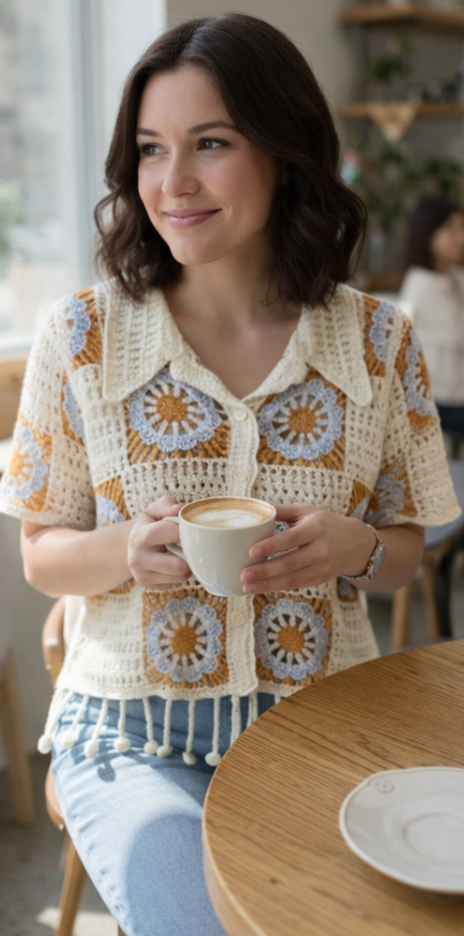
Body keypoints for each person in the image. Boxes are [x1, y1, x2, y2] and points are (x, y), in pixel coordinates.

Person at [0, 15, 460, 936]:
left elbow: (405, 551)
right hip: (132, 734)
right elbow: (42, 558)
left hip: (321, 719)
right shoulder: (80, 335)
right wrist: (127, 550)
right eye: (150, 149)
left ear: (286, 152)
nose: (173, 183)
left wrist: (357, 545)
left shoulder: (378, 340)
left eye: (211, 144)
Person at [399, 197, 464, 449]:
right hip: (442, 397)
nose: (460, 237)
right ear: (427, 234)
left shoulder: (453, 276)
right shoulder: (421, 284)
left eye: (461, 228)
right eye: (451, 229)